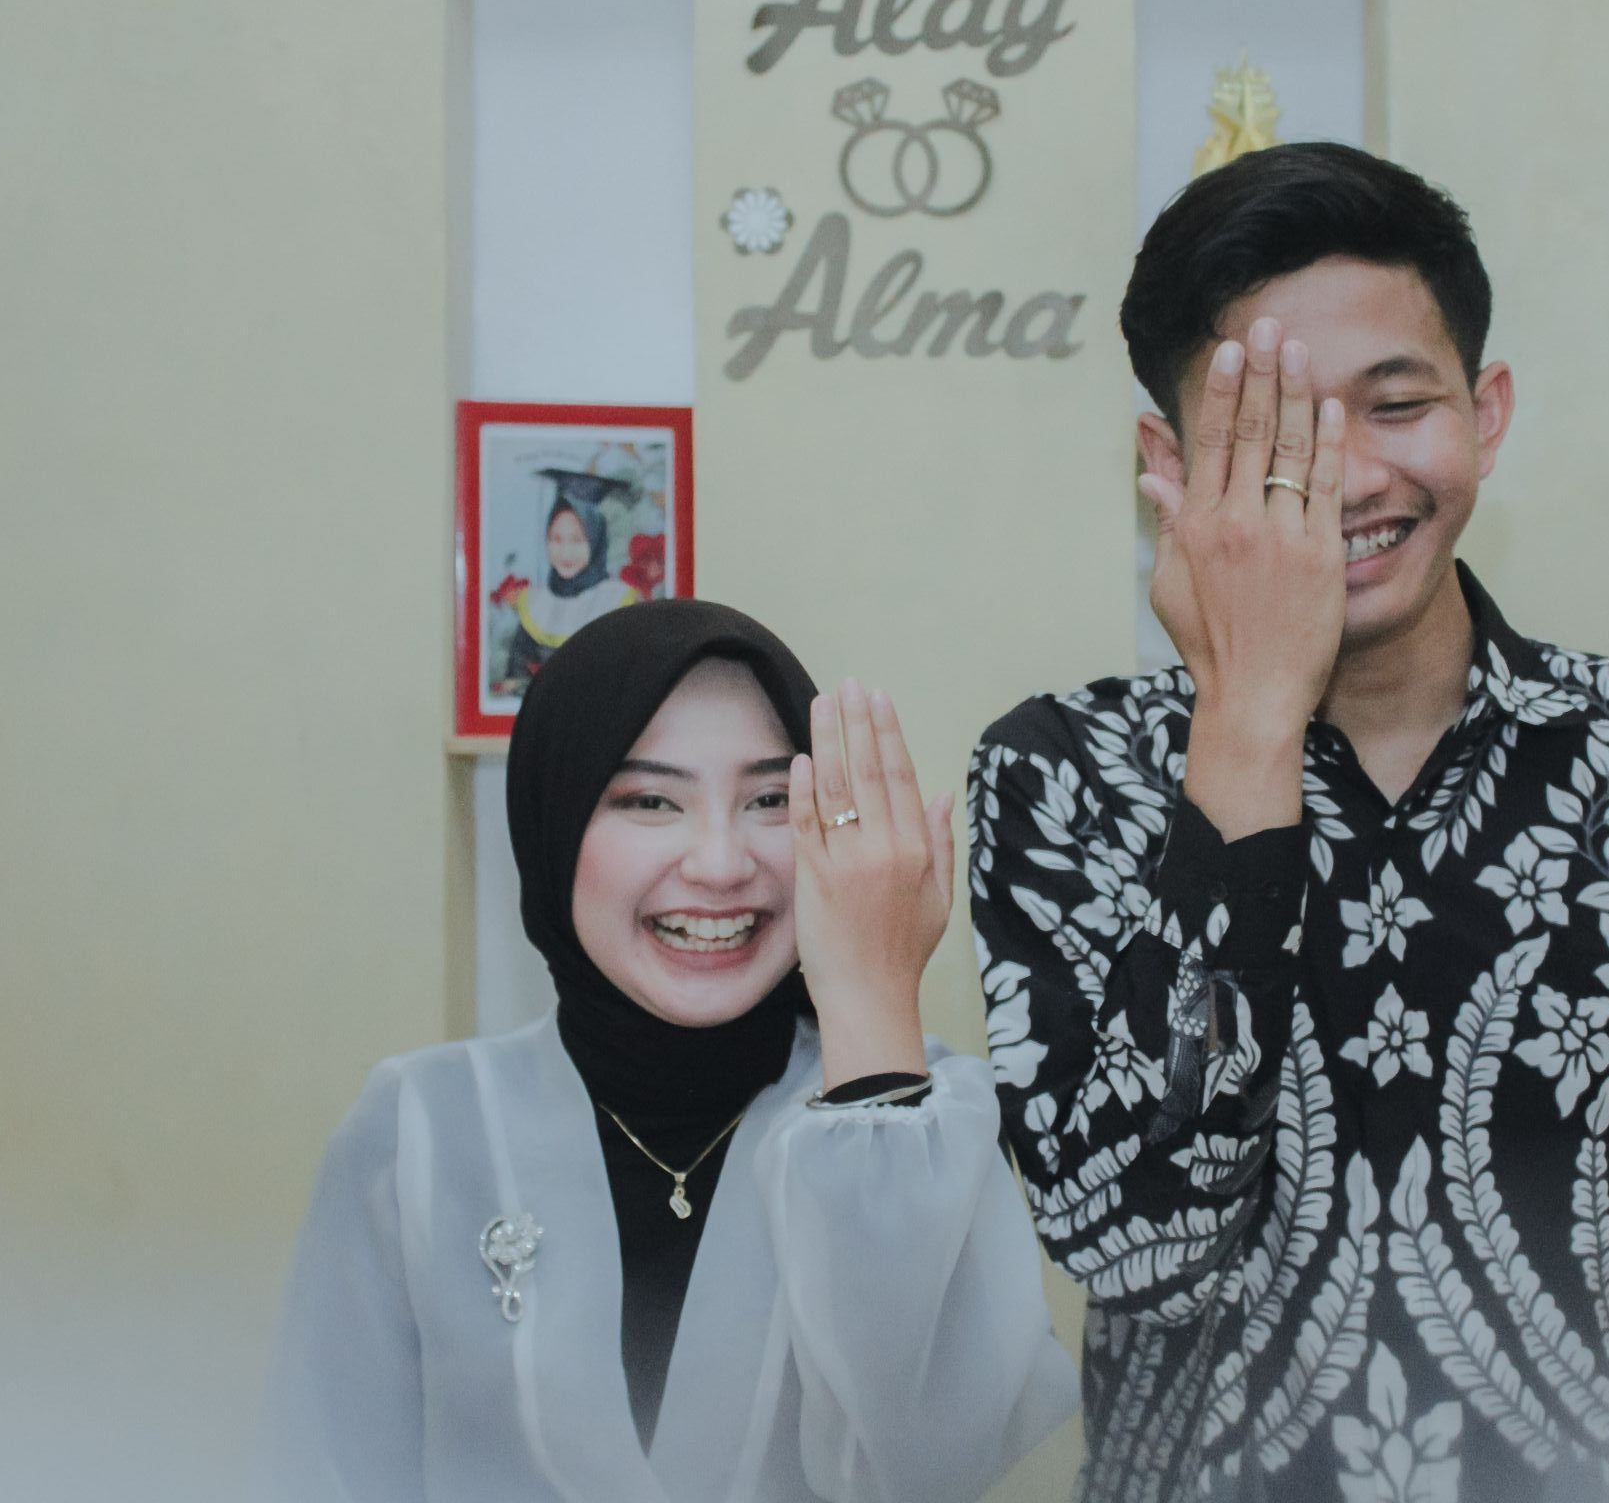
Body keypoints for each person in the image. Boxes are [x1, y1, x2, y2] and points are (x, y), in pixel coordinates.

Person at [970, 143, 1609, 1501]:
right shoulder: (1062, 775)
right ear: (1168, 464)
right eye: (1274, 435)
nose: (1346, 479)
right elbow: (1136, 1245)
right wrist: (1247, 717)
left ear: (1486, 411)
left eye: (1395, 406)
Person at [268, 599, 1076, 1502]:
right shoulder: (418, 1130)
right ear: (553, 820)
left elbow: (925, 1465)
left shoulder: (931, 1117)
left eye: (770, 800)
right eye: (650, 801)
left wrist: (871, 997)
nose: (720, 864)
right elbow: (320, 1470)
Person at [500, 471, 644, 687]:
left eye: (577, 540)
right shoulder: (535, 604)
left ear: (596, 541)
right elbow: (516, 675)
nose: (565, 552)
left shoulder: (619, 602)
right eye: (556, 539)